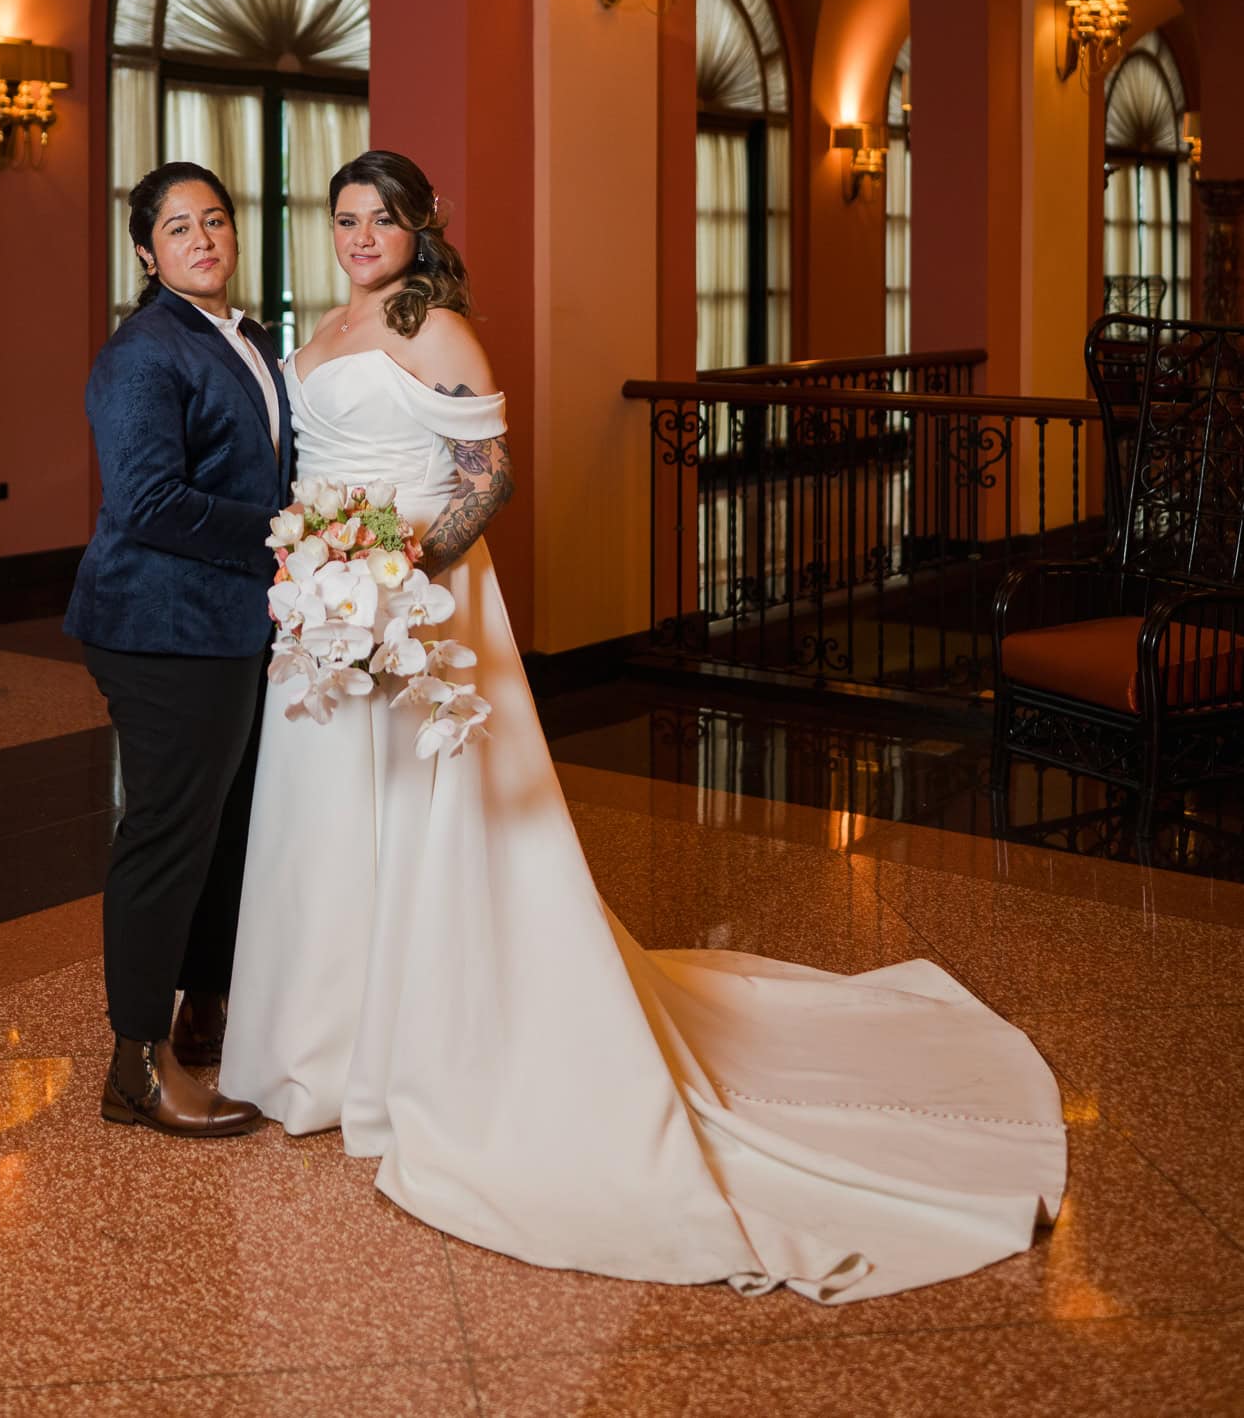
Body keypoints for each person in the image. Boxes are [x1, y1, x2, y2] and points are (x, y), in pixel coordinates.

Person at [222, 150, 1067, 1298]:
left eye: (383, 219)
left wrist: (399, 568)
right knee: (323, 827)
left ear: (422, 228)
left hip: (415, 605)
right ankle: (317, 1050)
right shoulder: (320, 327)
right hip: (321, 616)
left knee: (427, 820)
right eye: (346, 218)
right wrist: (322, 571)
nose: (361, 235)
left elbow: (487, 481)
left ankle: (420, 1053)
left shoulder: (443, 332)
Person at [66, 161, 291, 1137]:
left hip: (233, 620)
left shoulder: (245, 338)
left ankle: (205, 1018)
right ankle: (134, 1067)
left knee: (226, 829)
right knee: (166, 838)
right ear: (147, 254)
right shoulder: (141, 355)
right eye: (178, 228)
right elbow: (148, 502)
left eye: (215, 220)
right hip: (161, 629)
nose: (202, 238)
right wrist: (289, 529)